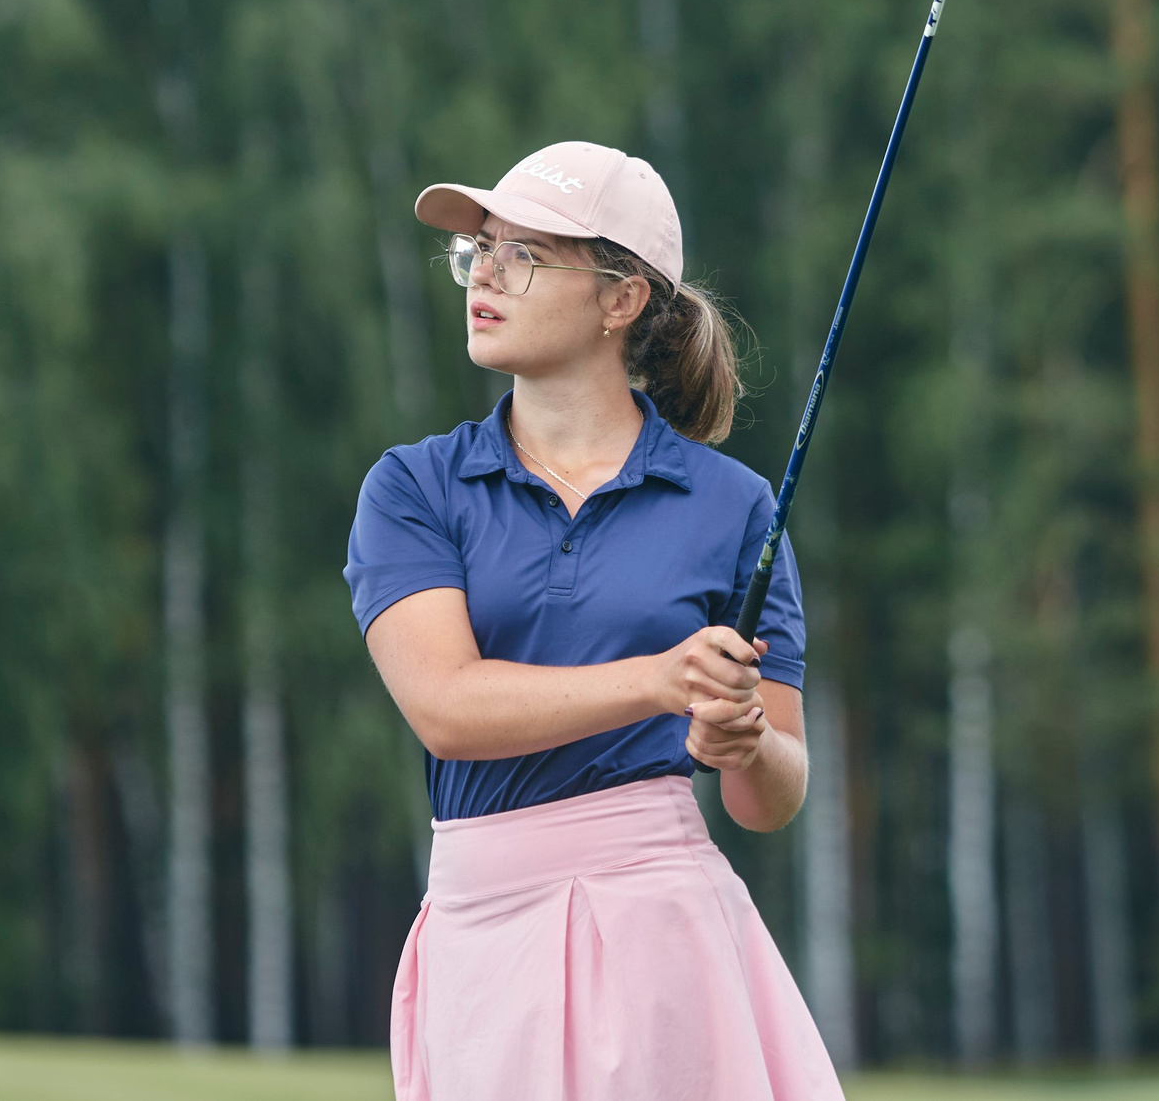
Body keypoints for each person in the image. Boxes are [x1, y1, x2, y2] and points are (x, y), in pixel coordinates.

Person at [344, 140, 842, 1100]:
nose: (484, 272)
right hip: (485, 936)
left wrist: (739, 740)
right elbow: (446, 706)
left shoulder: (734, 508)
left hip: (665, 935)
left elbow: (770, 797)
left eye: (524, 253)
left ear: (622, 300)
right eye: (479, 250)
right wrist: (660, 681)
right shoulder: (414, 488)